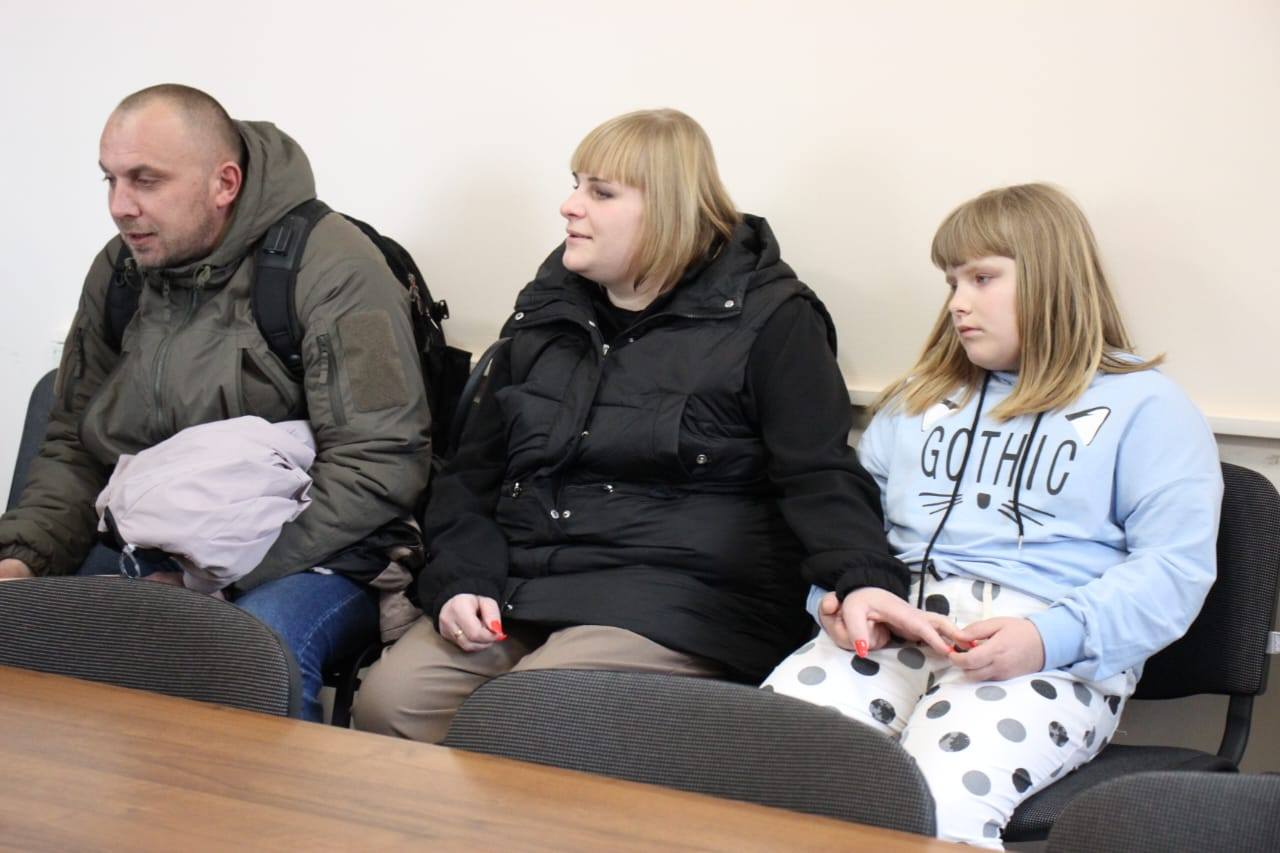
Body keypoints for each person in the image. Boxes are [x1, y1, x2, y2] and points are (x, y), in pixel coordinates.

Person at [354, 108, 941, 741]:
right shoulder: (545, 311)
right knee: (390, 704)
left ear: (667, 209)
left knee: (533, 713)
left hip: (679, 599)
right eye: (576, 184)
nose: (569, 206)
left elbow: (817, 473)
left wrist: (863, 578)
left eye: (601, 192)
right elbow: (472, 476)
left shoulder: (775, 318)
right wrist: (462, 580)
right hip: (526, 585)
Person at [762, 183, 1221, 848]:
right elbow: (849, 527)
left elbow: (1175, 570)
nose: (957, 302)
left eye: (981, 278)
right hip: (899, 629)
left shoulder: (1147, 408)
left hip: (1044, 656)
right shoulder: (916, 401)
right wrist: (841, 595)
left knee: (934, 804)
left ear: (1051, 280)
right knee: (766, 769)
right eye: (951, 281)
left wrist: (1047, 636)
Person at [0, 84, 432, 722]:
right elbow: (76, 441)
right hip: (149, 536)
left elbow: (381, 462)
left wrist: (216, 577)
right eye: (110, 180)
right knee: (34, 635)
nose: (120, 207)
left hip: (309, 553)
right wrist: (23, 557)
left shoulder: (338, 269)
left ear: (224, 182)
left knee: (249, 656)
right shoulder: (121, 271)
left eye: (146, 180)